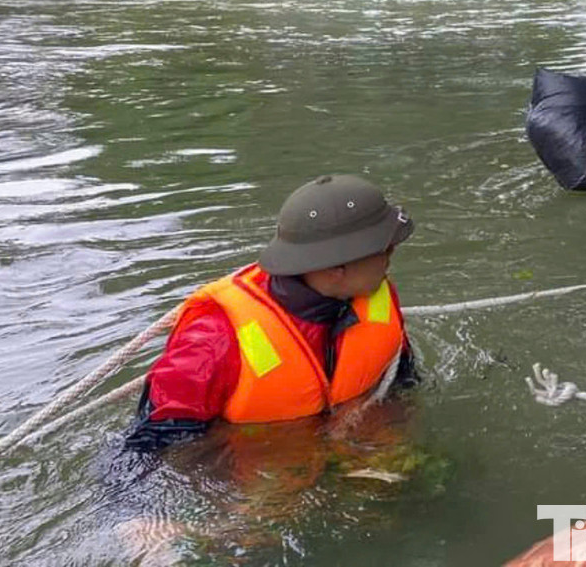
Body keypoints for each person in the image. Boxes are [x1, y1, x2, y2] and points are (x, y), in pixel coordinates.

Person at [126, 174, 417, 451]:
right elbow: (151, 448)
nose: (392, 256)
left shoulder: (375, 298)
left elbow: (401, 380)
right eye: (385, 250)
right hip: (261, 477)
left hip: (354, 447)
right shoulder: (213, 337)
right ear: (335, 269)